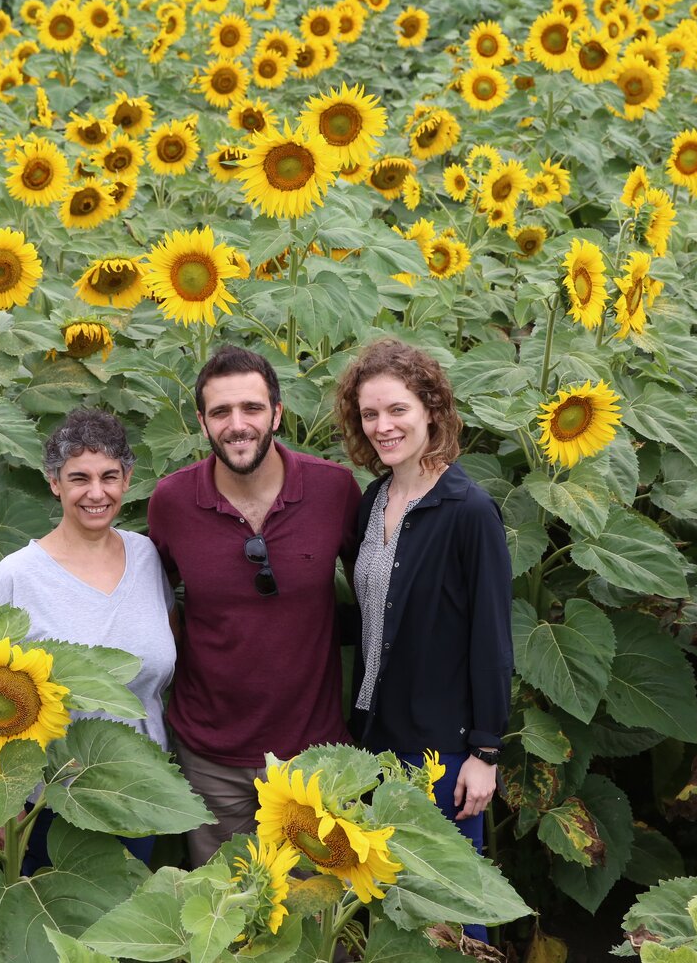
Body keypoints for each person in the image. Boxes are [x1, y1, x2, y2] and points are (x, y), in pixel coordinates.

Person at [148, 344, 362, 868]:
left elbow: (376, 593)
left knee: (318, 915)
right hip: (211, 757)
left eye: (252, 408)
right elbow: (149, 602)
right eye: (220, 412)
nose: (237, 424)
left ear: (278, 413)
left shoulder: (333, 490)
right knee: (226, 919)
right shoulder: (172, 502)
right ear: (201, 422)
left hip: (314, 754)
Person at [334, 338, 514, 942]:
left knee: (451, 905)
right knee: (394, 912)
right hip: (376, 738)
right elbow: (372, 617)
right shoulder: (374, 500)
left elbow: (491, 639)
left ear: (431, 409)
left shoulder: (469, 511)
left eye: (398, 410)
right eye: (370, 415)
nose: (383, 426)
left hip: (443, 749)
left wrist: (485, 754)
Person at [0, 408, 175, 870]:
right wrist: (2, 797)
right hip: (49, 802)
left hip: (137, 791)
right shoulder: (19, 576)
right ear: (55, 483)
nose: (96, 492)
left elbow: (168, 647)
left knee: (127, 928)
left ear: (127, 479)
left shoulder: (146, 556)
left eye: (109, 476)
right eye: (79, 478)